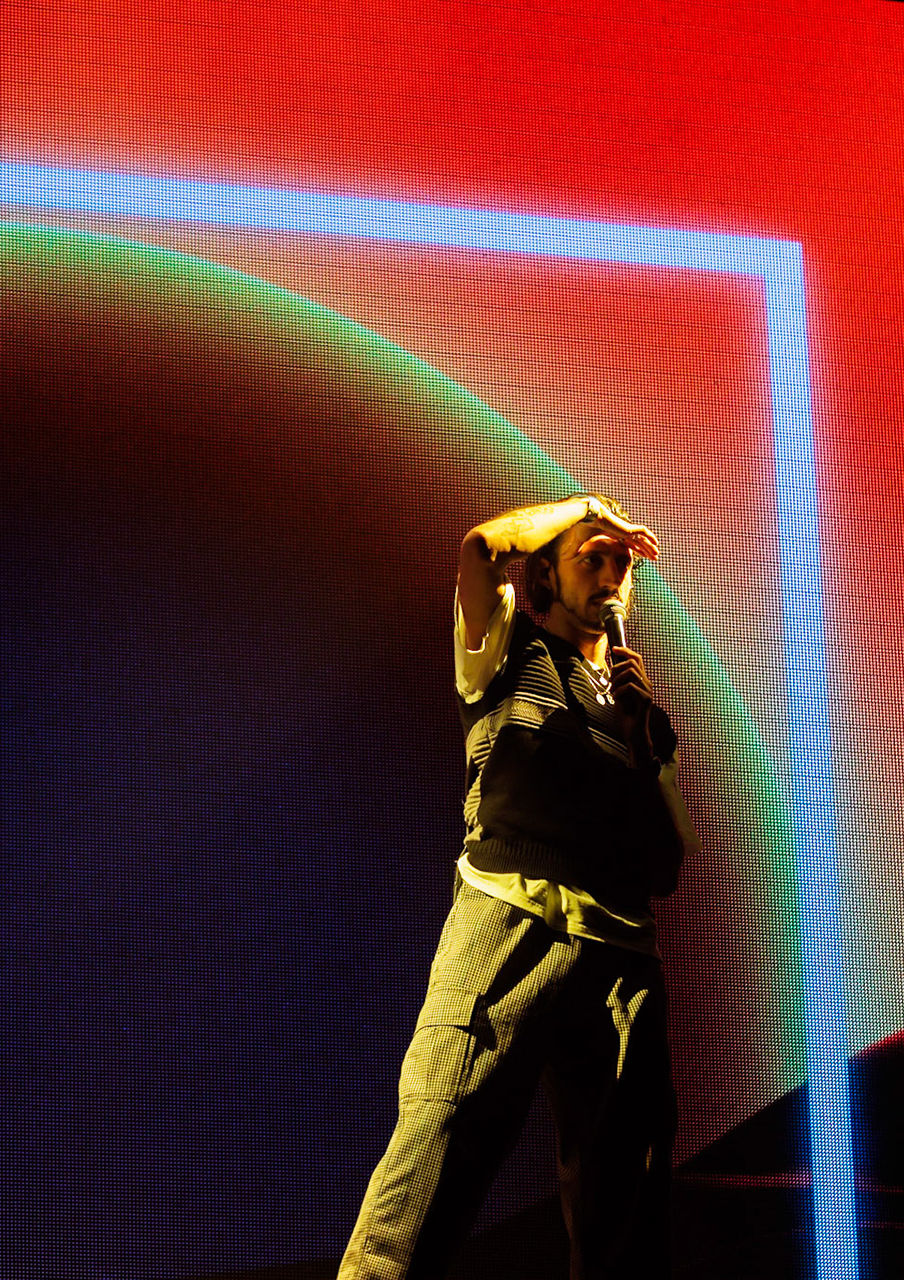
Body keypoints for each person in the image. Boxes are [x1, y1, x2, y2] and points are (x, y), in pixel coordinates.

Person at [339, 494, 699, 1280]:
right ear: (546, 571)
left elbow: (672, 863)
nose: (612, 572)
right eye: (591, 557)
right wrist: (591, 507)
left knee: (627, 1202)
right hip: (511, 916)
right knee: (439, 1140)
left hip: (621, 959)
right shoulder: (511, 654)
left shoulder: (643, 711)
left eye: (621, 562)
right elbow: (478, 550)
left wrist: (644, 738)